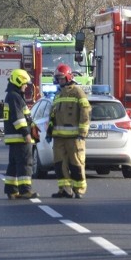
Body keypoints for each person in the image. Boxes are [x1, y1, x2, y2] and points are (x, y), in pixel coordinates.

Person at [46, 63, 91, 198]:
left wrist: (82, 133)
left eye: (61, 78)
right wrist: (50, 131)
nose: (59, 81)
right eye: (57, 79)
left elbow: (86, 111)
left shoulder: (77, 92)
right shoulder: (58, 95)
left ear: (68, 77)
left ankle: (79, 190)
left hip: (74, 138)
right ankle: (65, 189)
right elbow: (53, 115)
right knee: (60, 164)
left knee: (76, 164)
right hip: (58, 138)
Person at [2, 69, 38, 200]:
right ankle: (25, 190)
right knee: (25, 164)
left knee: (13, 164)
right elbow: (18, 119)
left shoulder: (12, 96)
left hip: (14, 138)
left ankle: (11, 190)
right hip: (20, 138)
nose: (26, 86)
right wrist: (26, 133)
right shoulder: (15, 97)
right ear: (18, 82)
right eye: (24, 83)